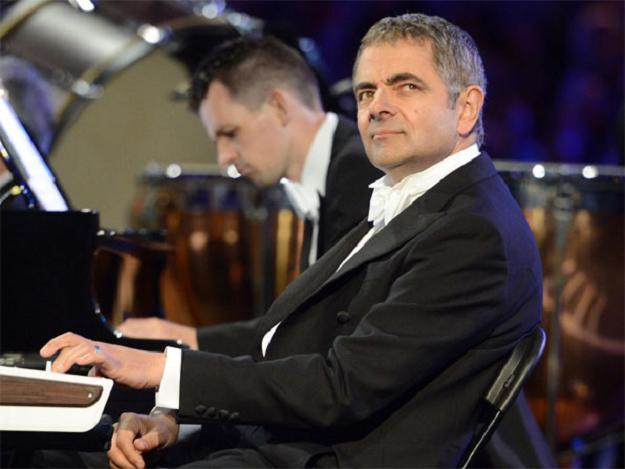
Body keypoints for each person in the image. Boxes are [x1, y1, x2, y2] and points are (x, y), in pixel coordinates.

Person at [42, 13, 544, 467]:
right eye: (366, 92)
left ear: (466, 108)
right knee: (48, 451)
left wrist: (161, 368)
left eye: (406, 86)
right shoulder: (408, 201)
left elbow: (339, 388)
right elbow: (283, 345)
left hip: (322, 456)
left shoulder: (472, 231)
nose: (377, 107)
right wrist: (173, 415)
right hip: (284, 441)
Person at [116, 36, 382, 350]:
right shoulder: (337, 169)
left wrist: (185, 346)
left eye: (230, 133)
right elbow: (299, 332)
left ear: (279, 107)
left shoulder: (363, 175)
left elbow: (325, 341)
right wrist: (187, 340)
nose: (224, 158)